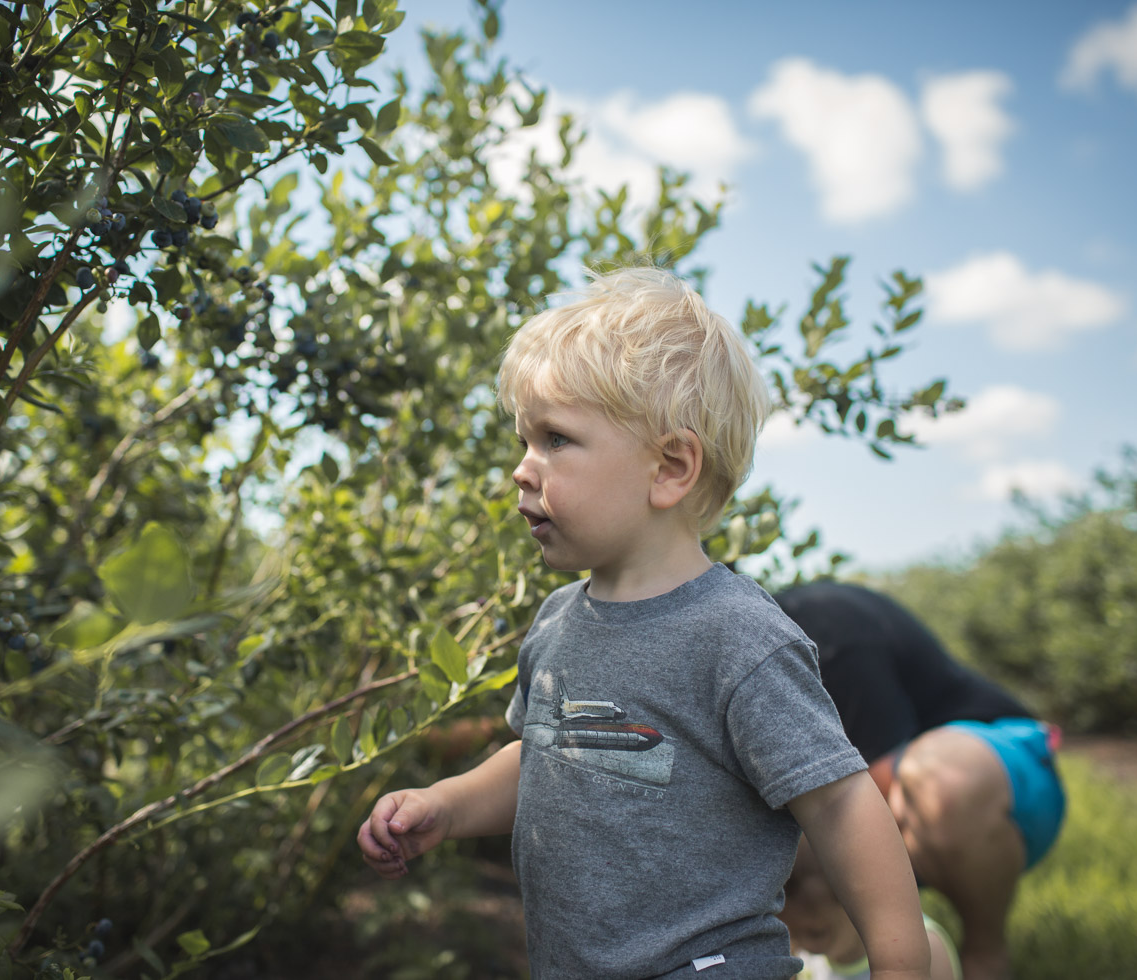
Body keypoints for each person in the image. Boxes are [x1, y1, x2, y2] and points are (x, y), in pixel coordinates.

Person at [356, 268, 931, 979]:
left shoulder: (737, 637)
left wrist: (903, 962)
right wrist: (444, 807)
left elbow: (841, 802)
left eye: (555, 440)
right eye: (523, 441)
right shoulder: (558, 621)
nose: (521, 471)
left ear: (670, 468)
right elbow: (544, 759)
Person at [773, 582, 1067, 980]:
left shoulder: (824, 626)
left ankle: (984, 954)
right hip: (907, 812)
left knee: (938, 781)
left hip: (1005, 776)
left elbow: (871, 785)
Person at [782, 834, 961, 980]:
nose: (805, 945)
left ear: (851, 898)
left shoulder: (924, 948)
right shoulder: (806, 957)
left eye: (815, 933)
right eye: (792, 934)